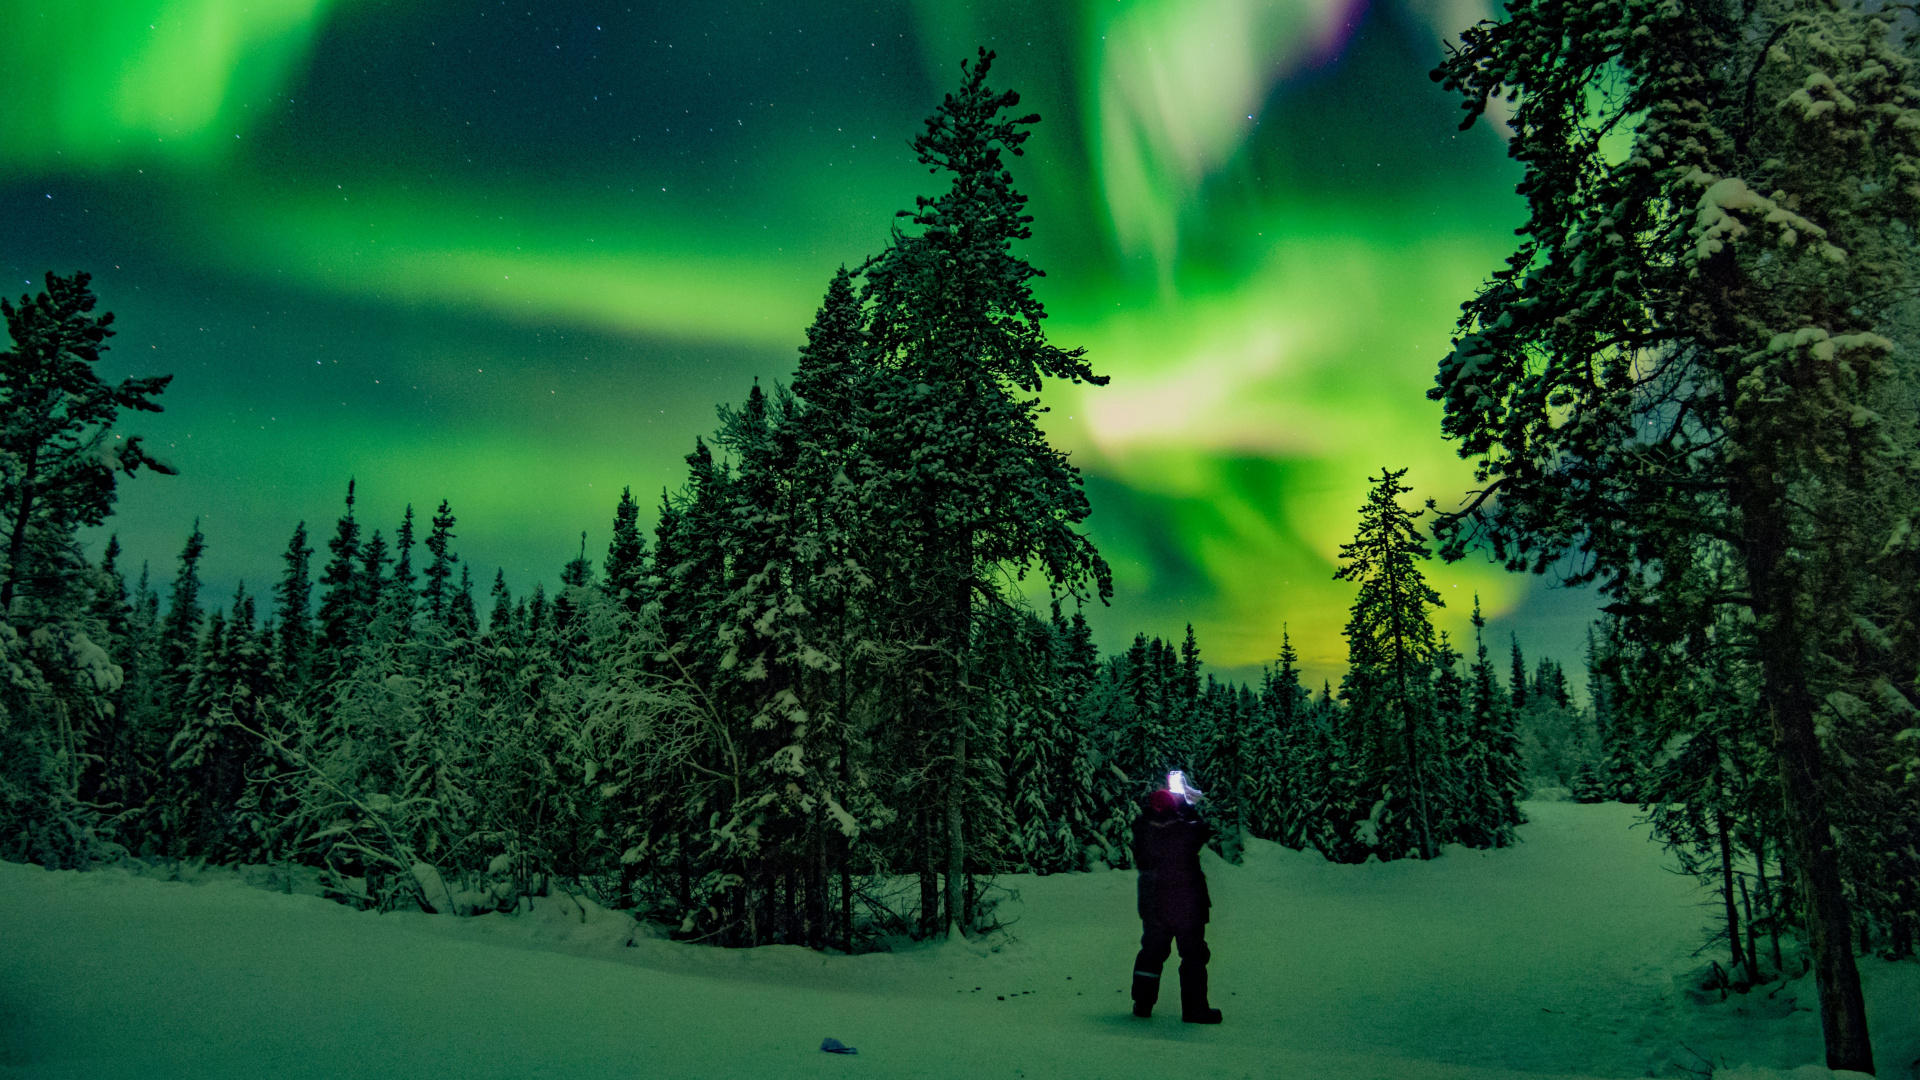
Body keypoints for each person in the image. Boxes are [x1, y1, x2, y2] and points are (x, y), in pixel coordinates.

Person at [1129, 783, 1222, 1023]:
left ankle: (1143, 1002)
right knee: (1193, 955)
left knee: (1152, 952)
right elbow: (1200, 832)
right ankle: (1195, 1009)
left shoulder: (1143, 828)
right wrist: (1188, 807)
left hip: (1154, 904)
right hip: (1186, 905)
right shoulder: (1182, 829)